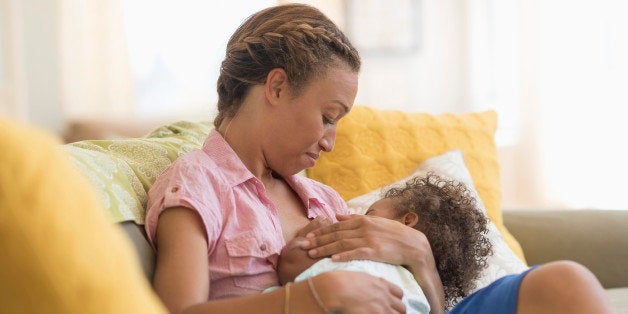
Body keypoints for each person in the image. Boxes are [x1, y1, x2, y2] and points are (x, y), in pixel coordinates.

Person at [145, 3, 614, 314]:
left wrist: (421, 257)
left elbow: (415, 301)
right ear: (277, 86)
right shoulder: (197, 185)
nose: (329, 141)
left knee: (565, 284)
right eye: (328, 116)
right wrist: (306, 298)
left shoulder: (321, 199)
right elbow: (177, 310)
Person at [274, 174, 494, 313]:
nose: (355, 217)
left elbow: (292, 267)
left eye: (369, 213)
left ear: (407, 221)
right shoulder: (420, 295)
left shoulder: (364, 260)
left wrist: (306, 238)